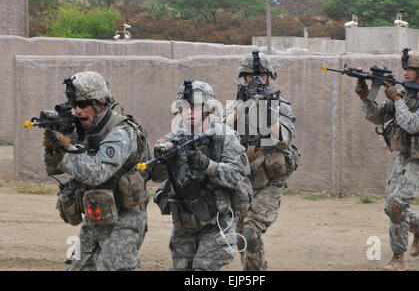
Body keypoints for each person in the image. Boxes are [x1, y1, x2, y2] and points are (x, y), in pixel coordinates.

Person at [42, 71, 150, 271]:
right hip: (97, 215)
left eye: (83, 105)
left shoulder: (121, 132)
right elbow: (52, 169)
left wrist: (65, 151)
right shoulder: (82, 130)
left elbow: (97, 173)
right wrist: (54, 146)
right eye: (74, 105)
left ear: (99, 103)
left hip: (126, 217)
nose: (77, 111)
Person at [355, 50, 419, 271]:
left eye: (410, 69)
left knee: (396, 204)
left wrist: (396, 99)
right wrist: (366, 97)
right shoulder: (404, 94)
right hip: (405, 155)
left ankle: (398, 258)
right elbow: (376, 116)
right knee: (391, 207)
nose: (405, 73)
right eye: (405, 69)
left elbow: (413, 124)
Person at [150, 79, 252, 271]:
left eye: (195, 107)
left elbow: (238, 178)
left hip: (216, 224)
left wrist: (208, 165)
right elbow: (155, 177)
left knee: (203, 268)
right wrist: (163, 160)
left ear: (208, 109)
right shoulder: (174, 138)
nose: (189, 111)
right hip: (183, 225)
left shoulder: (225, 138)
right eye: (184, 106)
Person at [224, 51, 299, 271]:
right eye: (250, 75)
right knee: (241, 237)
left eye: (261, 75)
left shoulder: (280, 105)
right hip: (244, 179)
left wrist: (267, 110)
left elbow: (283, 140)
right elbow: (221, 134)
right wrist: (241, 108)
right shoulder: (235, 105)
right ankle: (256, 269)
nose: (256, 80)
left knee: (251, 229)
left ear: (269, 77)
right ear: (243, 77)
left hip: (271, 180)